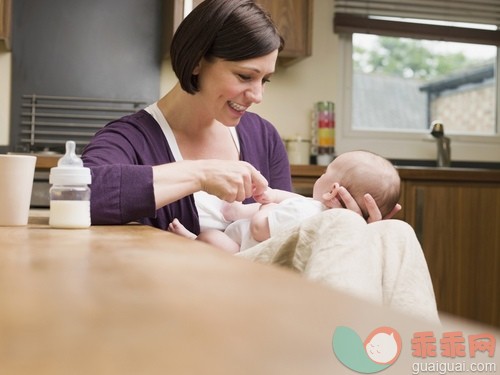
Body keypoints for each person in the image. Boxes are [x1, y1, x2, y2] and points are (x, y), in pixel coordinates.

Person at [81, 0, 439, 322]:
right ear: (195, 63)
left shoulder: (262, 137)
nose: (258, 95)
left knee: (393, 232)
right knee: (342, 227)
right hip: (187, 301)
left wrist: (361, 230)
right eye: (244, 76)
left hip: (267, 299)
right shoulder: (130, 138)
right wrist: (201, 173)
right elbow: (83, 194)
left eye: (265, 80)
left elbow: (288, 238)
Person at [169, 150, 401, 253]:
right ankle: (234, 213)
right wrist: (272, 195)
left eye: (325, 173)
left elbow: (260, 229)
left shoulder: (307, 214)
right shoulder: (315, 211)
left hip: (243, 253)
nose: (320, 175)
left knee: (211, 238)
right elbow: (294, 200)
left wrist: (268, 205)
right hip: (243, 233)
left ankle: (192, 240)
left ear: (332, 190)